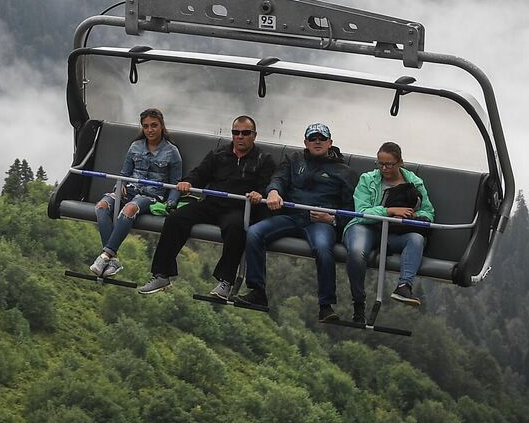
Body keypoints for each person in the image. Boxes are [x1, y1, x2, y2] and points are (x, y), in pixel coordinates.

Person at [136, 115, 276, 298]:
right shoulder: (219, 154)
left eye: (245, 133)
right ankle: (162, 274)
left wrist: (260, 194)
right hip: (212, 204)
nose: (240, 136)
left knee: (236, 228)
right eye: (236, 132)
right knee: (176, 219)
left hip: (238, 208)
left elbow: (266, 186)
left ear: (254, 136)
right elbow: (200, 174)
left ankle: (226, 281)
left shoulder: (263, 160)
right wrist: (188, 183)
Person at [240, 122, 354, 322]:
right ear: (305, 142)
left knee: (323, 249)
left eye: (322, 139)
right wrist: (273, 192)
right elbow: (278, 179)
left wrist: (333, 219)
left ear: (330, 143)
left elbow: (351, 208)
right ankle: (257, 291)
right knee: (255, 233)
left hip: (320, 221)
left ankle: (326, 306)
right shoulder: (294, 160)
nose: (317, 142)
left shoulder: (344, 172)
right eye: (313, 139)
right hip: (291, 215)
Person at [343, 141, 435, 322]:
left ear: (400, 162)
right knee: (356, 253)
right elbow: (361, 211)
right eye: (380, 163)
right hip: (366, 227)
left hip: (395, 232)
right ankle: (358, 302)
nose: (384, 168)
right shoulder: (368, 179)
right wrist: (389, 211)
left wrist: (413, 216)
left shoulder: (414, 182)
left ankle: (404, 286)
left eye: (389, 164)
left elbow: (428, 211)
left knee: (416, 239)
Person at [89, 108, 183, 278]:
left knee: (130, 210)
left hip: (151, 196)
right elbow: (124, 174)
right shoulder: (135, 146)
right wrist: (120, 185)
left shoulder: (171, 152)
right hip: (130, 190)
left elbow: (176, 182)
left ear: (162, 126)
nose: (150, 130)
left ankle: (105, 256)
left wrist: (172, 203)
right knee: (101, 206)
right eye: (146, 126)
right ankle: (113, 259)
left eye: (154, 126)